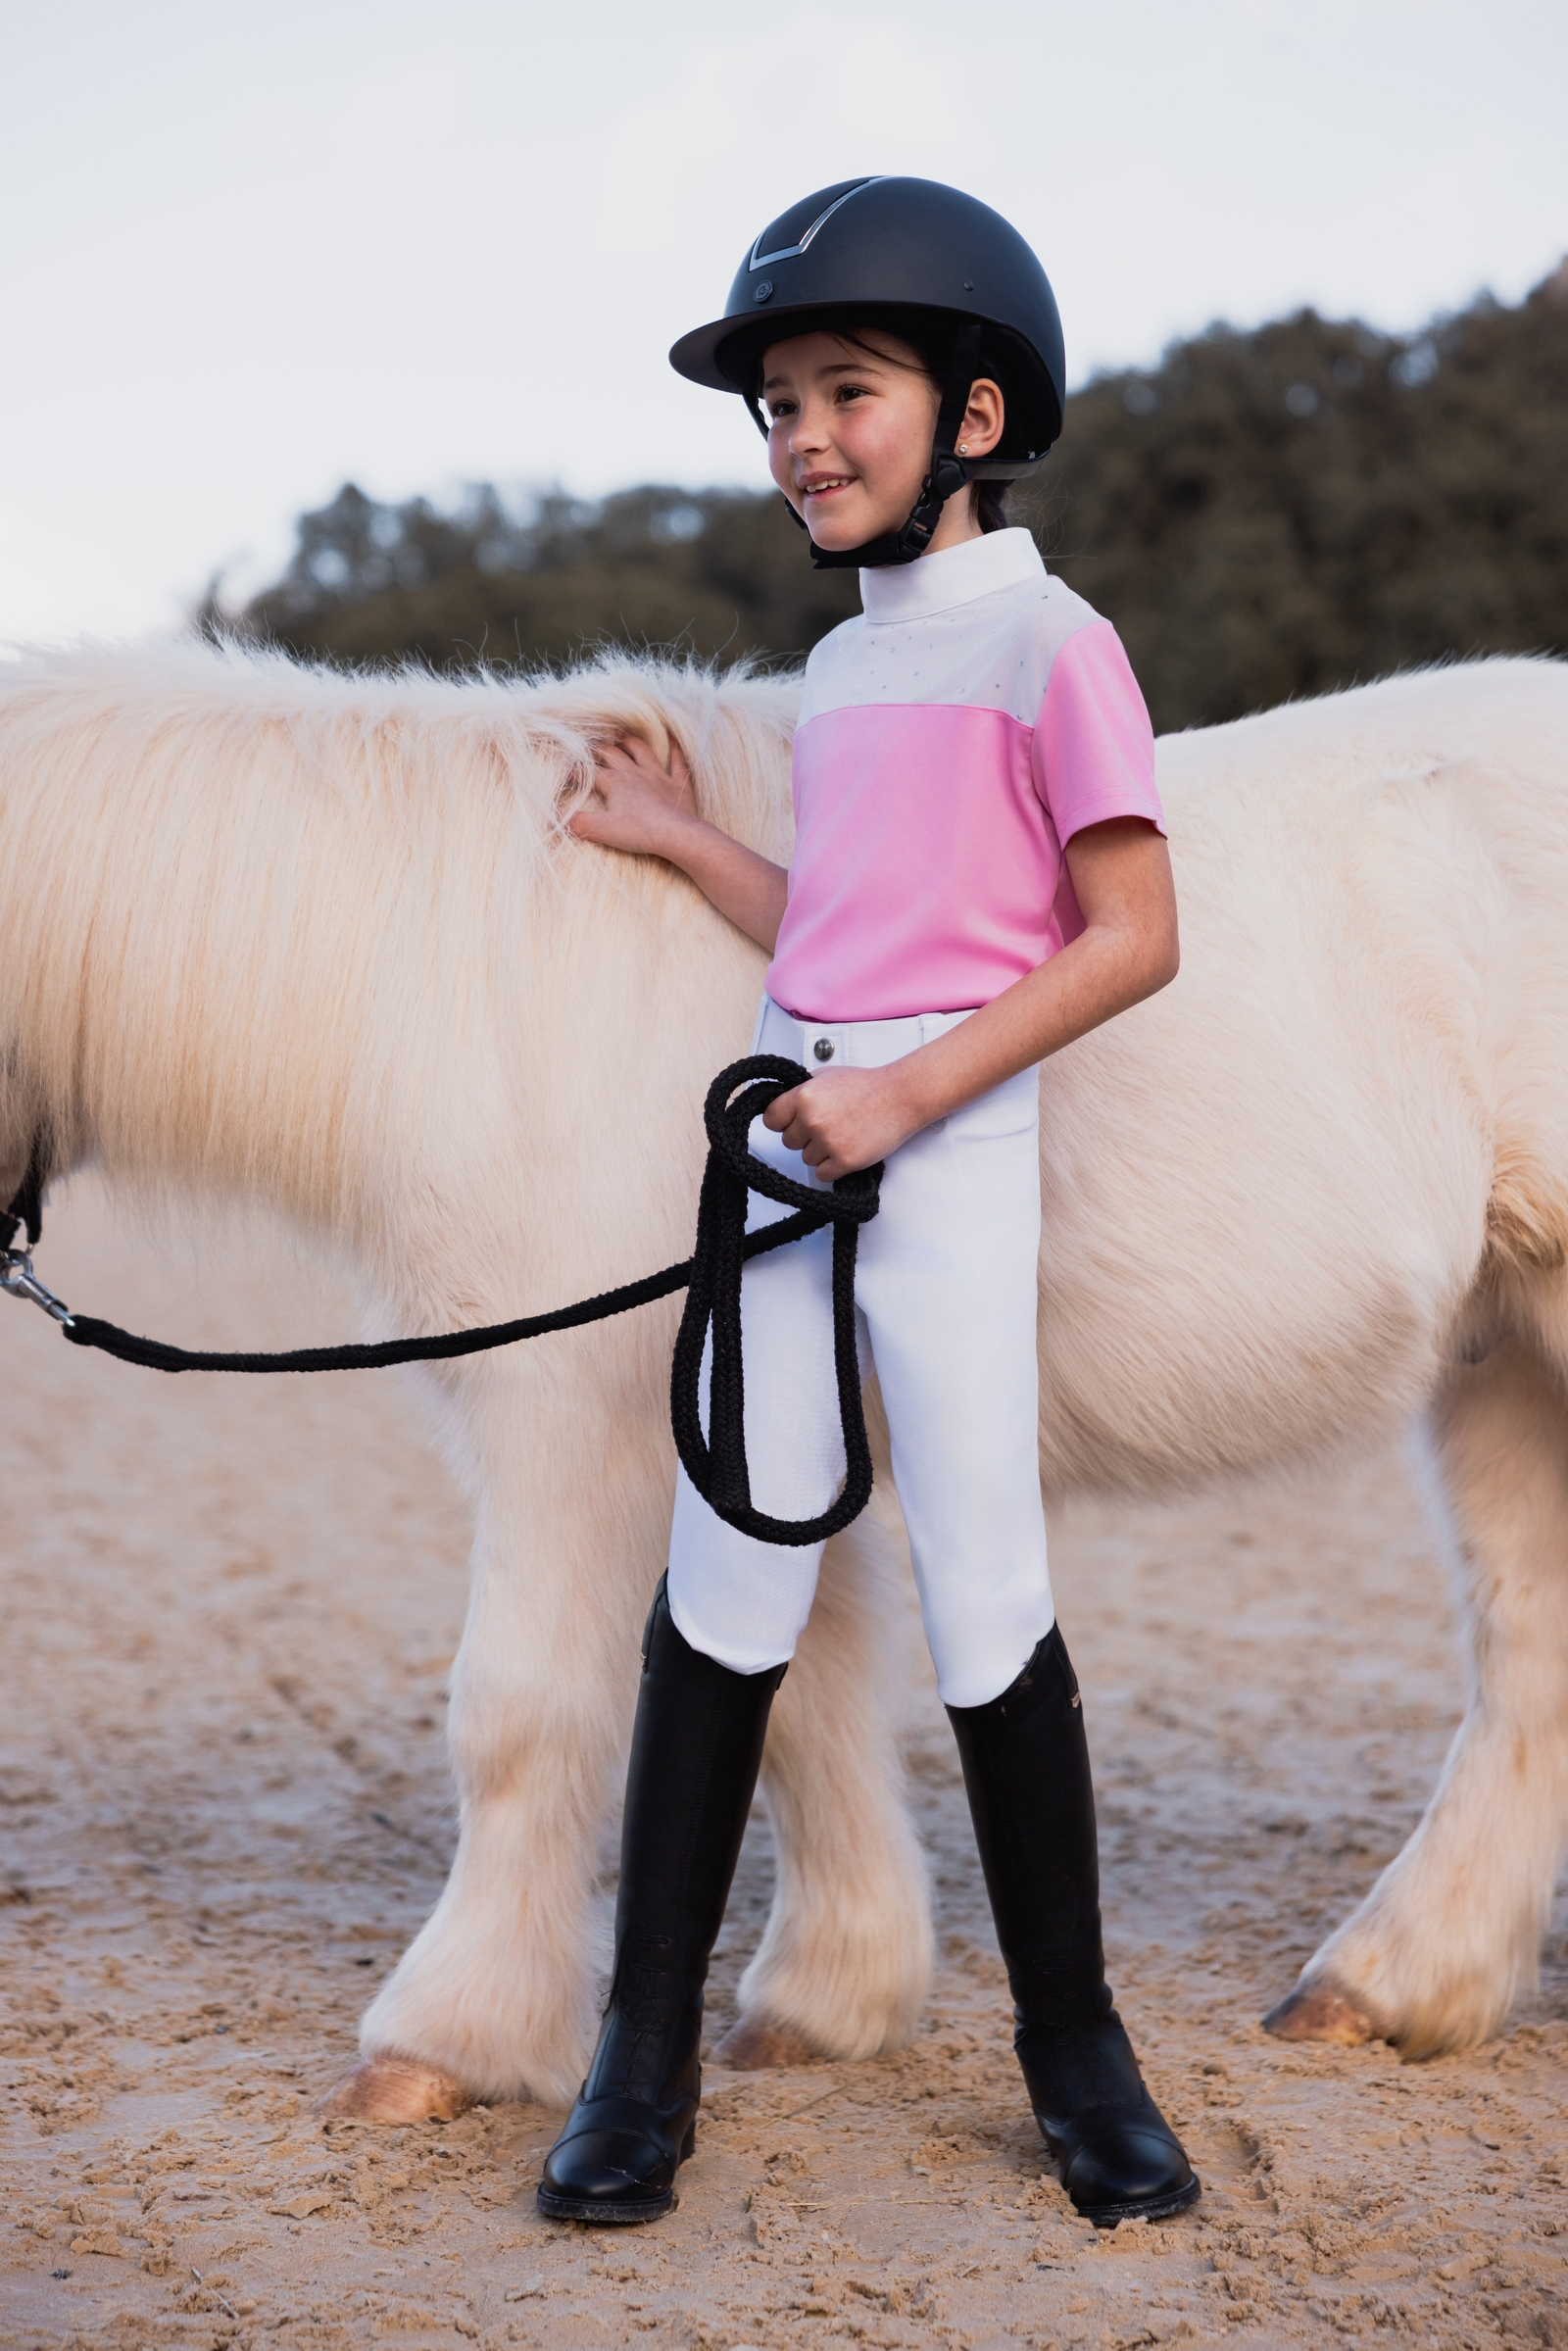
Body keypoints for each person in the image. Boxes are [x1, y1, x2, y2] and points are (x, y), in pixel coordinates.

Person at [538, 177, 1198, 2230]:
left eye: (842, 391)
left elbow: (1132, 933)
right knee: (729, 1577)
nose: (798, 435)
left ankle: (1072, 2052)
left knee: (986, 1586)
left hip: (940, 1147)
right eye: (776, 406)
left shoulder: (1049, 645)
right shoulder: (836, 677)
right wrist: (676, 840)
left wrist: (905, 1093)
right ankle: (637, 2061)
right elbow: (831, 918)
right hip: (790, 1147)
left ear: (973, 420)